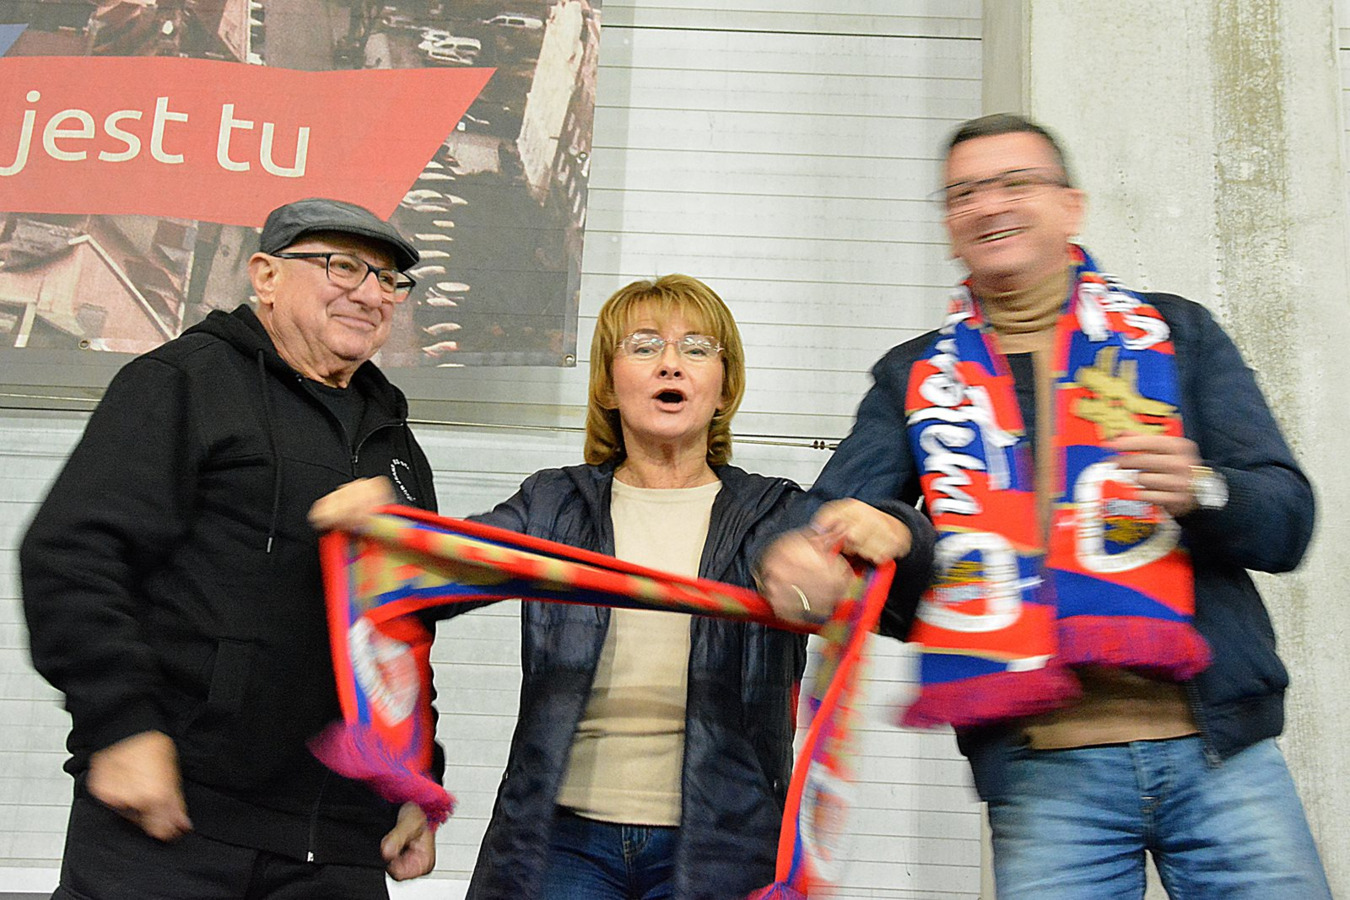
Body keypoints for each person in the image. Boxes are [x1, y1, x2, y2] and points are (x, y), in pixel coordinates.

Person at [759, 114, 1332, 898]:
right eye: (965, 193)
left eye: (1015, 183)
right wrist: (829, 555)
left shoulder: (1176, 335)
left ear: (1071, 206)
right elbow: (836, 525)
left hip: (1220, 749)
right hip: (1041, 773)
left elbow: (1288, 521)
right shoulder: (914, 377)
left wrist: (1203, 490)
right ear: (949, 228)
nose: (990, 205)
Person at [313, 274, 931, 899]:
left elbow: (896, 609)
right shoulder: (551, 502)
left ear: (725, 387)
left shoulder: (780, 514)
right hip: (560, 842)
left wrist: (900, 532)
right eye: (643, 346)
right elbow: (442, 574)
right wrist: (381, 530)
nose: (671, 363)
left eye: (697, 348)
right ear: (608, 385)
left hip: (724, 846)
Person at [21, 198, 442, 899]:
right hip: (174, 821)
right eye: (343, 267)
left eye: (388, 280)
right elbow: (72, 558)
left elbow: (401, 627)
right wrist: (122, 728)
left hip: (339, 842)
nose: (371, 294)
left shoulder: (393, 441)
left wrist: (414, 777)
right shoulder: (183, 382)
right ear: (266, 276)